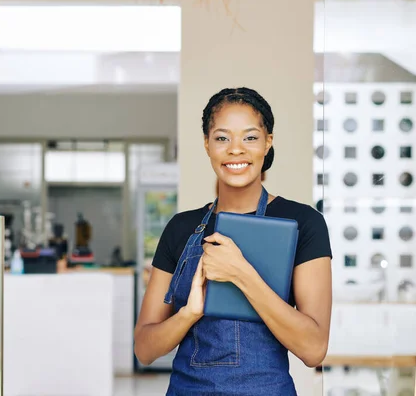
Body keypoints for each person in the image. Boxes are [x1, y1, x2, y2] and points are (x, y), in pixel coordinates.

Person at [133, 87, 332, 395]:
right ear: (207, 145)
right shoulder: (181, 227)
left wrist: (240, 273)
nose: (235, 149)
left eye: (250, 137)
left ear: (268, 143)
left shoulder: (303, 224)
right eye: (222, 138)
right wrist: (189, 313)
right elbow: (144, 349)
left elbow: (314, 348)